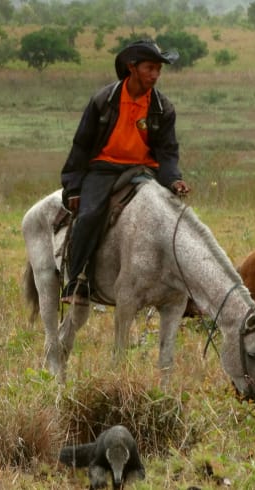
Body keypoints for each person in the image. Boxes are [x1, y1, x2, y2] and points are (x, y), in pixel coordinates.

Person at [59, 39, 191, 305]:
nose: (155, 75)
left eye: (158, 70)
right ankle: (77, 280)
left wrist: (174, 179)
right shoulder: (103, 101)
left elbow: (167, 152)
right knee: (89, 215)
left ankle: (184, 290)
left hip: (145, 171)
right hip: (104, 168)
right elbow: (81, 146)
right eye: (149, 68)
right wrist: (73, 186)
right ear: (132, 67)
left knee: (176, 218)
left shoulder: (163, 108)